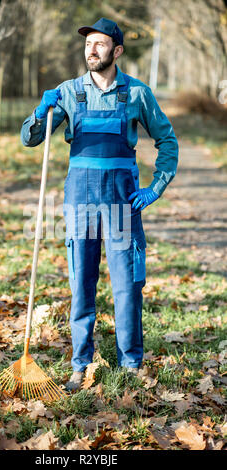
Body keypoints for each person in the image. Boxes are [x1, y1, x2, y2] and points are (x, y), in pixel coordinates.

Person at [20, 18, 179, 391]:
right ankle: (80, 364)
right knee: (82, 286)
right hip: (80, 204)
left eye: (100, 44)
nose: (92, 49)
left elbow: (168, 142)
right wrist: (40, 113)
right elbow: (31, 139)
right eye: (88, 43)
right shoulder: (68, 92)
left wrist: (156, 188)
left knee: (127, 286)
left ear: (117, 51)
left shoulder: (138, 94)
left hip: (123, 206)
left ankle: (131, 363)